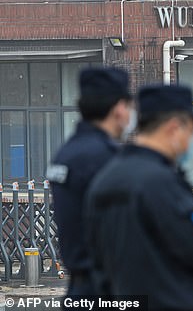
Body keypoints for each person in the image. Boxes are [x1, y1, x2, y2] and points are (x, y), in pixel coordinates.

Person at [84, 85, 193, 311]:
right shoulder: (161, 182)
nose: (189, 142)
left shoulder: (105, 178)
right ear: (174, 128)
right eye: (190, 133)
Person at [47, 67, 133, 301]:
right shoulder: (107, 158)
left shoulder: (67, 153)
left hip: (79, 289)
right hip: (110, 290)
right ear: (118, 108)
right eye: (128, 106)